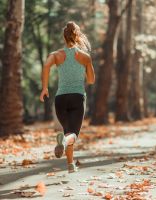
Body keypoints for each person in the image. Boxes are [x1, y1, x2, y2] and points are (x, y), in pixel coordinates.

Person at [39, 21, 95, 173]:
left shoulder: (56, 55)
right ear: (77, 36)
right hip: (77, 98)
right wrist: (83, 69)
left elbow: (45, 66)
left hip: (60, 99)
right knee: (73, 135)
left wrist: (44, 88)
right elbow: (91, 80)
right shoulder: (85, 56)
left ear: (64, 37)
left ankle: (70, 165)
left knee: (67, 131)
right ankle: (63, 143)